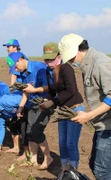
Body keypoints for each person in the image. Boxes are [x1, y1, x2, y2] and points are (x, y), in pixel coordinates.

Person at [58, 33, 111, 179]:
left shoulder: (99, 63)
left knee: (102, 171)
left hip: (109, 127)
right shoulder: (87, 65)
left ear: (77, 50)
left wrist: (89, 115)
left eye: (71, 58)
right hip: (103, 125)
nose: (70, 62)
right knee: (95, 164)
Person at [39, 42, 85, 169]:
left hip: (74, 109)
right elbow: (53, 92)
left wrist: (53, 102)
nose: (49, 61)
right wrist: (45, 101)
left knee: (71, 144)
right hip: (63, 110)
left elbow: (71, 91)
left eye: (52, 58)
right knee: (62, 144)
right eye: (47, 59)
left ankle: (73, 172)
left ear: (59, 56)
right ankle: (65, 171)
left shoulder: (66, 68)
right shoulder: (49, 72)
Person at [7, 52, 53, 169]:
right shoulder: (24, 73)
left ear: (21, 59)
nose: (16, 69)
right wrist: (21, 107)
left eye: (16, 66)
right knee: (29, 132)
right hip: (31, 105)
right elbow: (26, 92)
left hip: (44, 103)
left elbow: (50, 87)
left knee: (36, 131)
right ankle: (33, 159)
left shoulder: (39, 68)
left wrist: (34, 90)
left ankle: (48, 157)